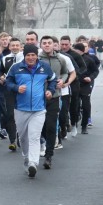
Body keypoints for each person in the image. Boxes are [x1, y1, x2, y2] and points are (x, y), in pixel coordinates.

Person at [5, 43, 56, 178]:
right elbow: (8, 83)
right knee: (23, 138)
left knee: (34, 137)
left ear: (36, 55)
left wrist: (50, 91)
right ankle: (27, 158)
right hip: (21, 109)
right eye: (28, 55)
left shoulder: (44, 67)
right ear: (25, 55)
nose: (31, 58)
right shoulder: (16, 68)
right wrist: (17, 88)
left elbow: (53, 80)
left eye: (33, 55)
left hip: (39, 109)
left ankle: (33, 163)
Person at [38, 35, 69, 170]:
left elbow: (65, 72)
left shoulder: (60, 59)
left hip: (55, 97)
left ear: (53, 44)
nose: (47, 45)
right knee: (42, 127)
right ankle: (45, 143)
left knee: (51, 126)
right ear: (41, 45)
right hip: (39, 97)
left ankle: (48, 156)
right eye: (44, 43)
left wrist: (62, 80)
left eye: (49, 43)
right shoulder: (37, 60)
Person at [59, 35, 86, 136]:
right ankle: (64, 126)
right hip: (62, 84)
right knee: (63, 107)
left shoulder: (75, 55)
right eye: (62, 44)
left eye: (66, 44)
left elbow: (83, 67)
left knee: (74, 105)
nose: (64, 46)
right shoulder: (58, 55)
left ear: (70, 44)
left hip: (73, 83)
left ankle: (74, 124)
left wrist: (76, 75)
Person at [0, 37, 24, 151]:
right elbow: (1, 71)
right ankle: (12, 140)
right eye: (12, 45)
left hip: (22, 89)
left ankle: (20, 136)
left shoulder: (25, 58)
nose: (15, 47)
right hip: (9, 89)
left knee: (22, 114)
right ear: (9, 47)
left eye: (17, 45)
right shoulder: (5, 58)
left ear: (20, 47)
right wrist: (1, 77)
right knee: (10, 115)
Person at [72, 43, 99, 135]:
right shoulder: (71, 59)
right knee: (74, 106)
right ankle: (74, 123)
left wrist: (90, 78)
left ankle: (84, 126)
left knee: (86, 105)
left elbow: (96, 70)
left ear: (82, 51)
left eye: (77, 51)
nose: (76, 52)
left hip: (85, 85)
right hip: (74, 84)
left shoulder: (89, 60)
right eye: (74, 50)